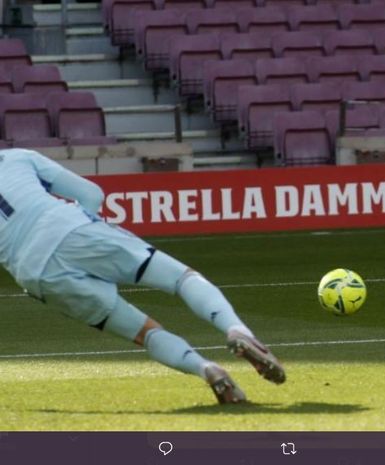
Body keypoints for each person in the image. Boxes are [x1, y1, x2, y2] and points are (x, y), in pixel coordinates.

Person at [0, 148, 285, 404]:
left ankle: (205, 369)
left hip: (34, 272)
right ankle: (238, 331)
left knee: (145, 333)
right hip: (70, 228)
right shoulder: (18, 157)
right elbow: (91, 194)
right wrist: (91, 225)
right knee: (181, 279)